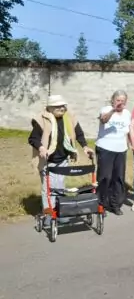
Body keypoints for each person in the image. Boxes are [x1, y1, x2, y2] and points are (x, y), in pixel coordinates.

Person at [28, 95, 93, 224]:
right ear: (50, 108)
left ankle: (60, 212)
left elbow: (78, 133)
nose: (62, 108)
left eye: (63, 105)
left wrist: (85, 147)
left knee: (60, 186)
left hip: (63, 158)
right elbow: (33, 138)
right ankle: (48, 214)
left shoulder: (69, 117)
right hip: (47, 160)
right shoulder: (42, 119)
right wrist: (41, 148)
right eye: (58, 106)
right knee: (48, 188)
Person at [95, 90, 132, 216]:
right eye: (118, 100)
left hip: (120, 149)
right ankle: (101, 205)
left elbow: (127, 131)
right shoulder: (106, 109)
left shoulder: (127, 113)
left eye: (123, 101)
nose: (120, 103)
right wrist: (113, 110)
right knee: (105, 177)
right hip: (105, 148)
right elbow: (103, 120)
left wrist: (131, 144)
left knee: (119, 178)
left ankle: (115, 204)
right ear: (113, 100)